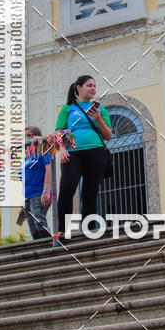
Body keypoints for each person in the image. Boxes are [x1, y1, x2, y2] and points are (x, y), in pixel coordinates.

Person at [55, 75, 112, 240]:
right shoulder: (68, 109)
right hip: (72, 153)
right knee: (67, 189)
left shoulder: (101, 110)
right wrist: (62, 149)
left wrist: (98, 119)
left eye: (95, 86)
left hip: (96, 152)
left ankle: (90, 230)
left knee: (90, 193)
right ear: (78, 88)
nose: (93, 88)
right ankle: (62, 230)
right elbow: (59, 132)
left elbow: (108, 135)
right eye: (89, 85)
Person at [21, 126, 52, 241]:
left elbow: (48, 170)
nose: (26, 139)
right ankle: (40, 249)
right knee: (32, 226)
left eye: (29, 135)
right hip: (27, 196)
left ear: (36, 136)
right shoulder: (26, 156)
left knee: (39, 221)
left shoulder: (43, 151)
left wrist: (45, 191)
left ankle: (50, 246)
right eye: (24, 136)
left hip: (38, 192)